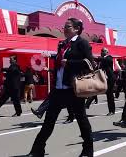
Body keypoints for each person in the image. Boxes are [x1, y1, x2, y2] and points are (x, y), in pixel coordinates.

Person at [26, 18, 94, 157]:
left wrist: (69, 63)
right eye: (64, 26)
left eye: (68, 26)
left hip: (73, 88)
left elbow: (89, 63)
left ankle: (88, 149)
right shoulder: (62, 44)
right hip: (59, 88)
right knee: (49, 121)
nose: (64, 29)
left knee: (81, 120)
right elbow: (59, 62)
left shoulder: (82, 43)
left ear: (76, 29)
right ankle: (37, 150)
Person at [96, 48, 115, 115]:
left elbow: (106, 60)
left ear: (107, 52)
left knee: (110, 94)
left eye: (103, 51)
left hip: (110, 78)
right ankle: (111, 110)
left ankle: (112, 111)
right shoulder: (102, 60)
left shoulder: (109, 57)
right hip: (104, 78)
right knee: (108, 94)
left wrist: (99, 58)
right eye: (101, 51)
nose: (102, 52)